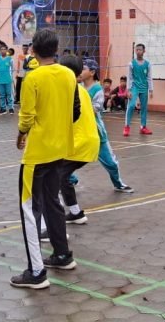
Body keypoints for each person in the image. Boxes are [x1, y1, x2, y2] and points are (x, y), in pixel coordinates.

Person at [11, 29, 81, 289]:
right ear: (56, 49)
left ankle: (37, 272)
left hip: (38, 153)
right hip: (60, 148)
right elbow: (74, 110)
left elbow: (26, 116)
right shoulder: (68, 74)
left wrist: (20, 136)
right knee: (52, 201)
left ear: (34, 51)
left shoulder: (33, 78)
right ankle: (63, 256)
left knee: (29, 209)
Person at [55, 55, 101, 228]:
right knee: (61, 176)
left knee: (58, 176)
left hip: (81, 142)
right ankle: (75, 213)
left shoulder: (70, 88)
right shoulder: (79, 88)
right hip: (86, 140)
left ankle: (56, 221)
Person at [81, 59, 134, 192]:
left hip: (96, 132)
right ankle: (69, 180)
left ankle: (118, 183)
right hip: (79, 131)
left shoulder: (97, 89)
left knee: (110, 163)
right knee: (67, 160)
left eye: (83, 68)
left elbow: (95, 109)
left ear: (92, 72)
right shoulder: (79, 86)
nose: (80, 71)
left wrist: (77, 107)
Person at [124, 43, 153, 136]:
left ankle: (143, 127)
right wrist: (128, 90)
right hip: (134, 87)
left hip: (144, 88)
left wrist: (151, 90)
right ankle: (127, 127)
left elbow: (149, 77)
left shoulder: (148, 64)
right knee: (131, 105)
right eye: (137, 49)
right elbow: (129, 77)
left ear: (144, 51)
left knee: (144, 108)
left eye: (140, 49)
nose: (138, 51)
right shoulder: (131, 64)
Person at [0, 44, 15, 114]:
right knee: (1, 95)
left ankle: (11, 108)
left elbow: (12, 69)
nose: (3, 51)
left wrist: (11, 77)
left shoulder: (10, 59)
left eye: (4, 49)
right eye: (1, 49)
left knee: (9, 94)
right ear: (0, 51)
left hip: (8, 79)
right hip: (0, 79)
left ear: (6, 50)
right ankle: (3, 108)